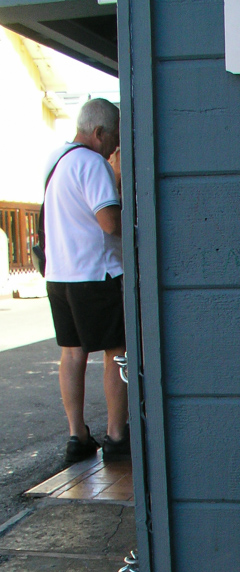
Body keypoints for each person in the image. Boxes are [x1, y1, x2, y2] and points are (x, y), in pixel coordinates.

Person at [44, 97, 130, 464]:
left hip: (59, 274)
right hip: (96, 273)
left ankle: (77, 435)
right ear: (98, 133)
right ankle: (115, 436)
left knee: (73, 352)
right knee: (117, 352)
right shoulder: (92, 164)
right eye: (114, 137)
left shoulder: (56, 159)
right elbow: (109, 222)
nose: (115, 146)